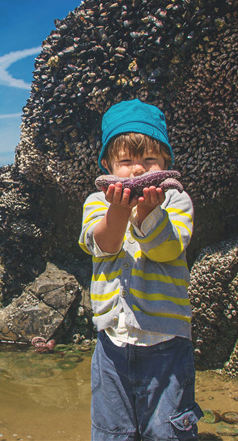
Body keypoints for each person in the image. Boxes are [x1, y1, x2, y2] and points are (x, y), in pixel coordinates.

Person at [79, 99, 203, 440]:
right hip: (111, 343)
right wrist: (118, 211)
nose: (136, 170)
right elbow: (103, 244)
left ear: (165, 163)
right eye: (125, 161)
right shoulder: (95, 202)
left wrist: (150, 214)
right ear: (107, 164)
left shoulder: (175, 200)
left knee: (167, 432)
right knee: (111, 432)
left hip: (167, 341)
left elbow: (167, 250)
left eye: (149, 160)